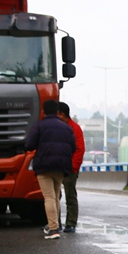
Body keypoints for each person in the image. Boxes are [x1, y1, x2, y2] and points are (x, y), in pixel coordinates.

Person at [25, 100, 75, 240]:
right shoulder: (66, 127)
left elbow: (29, 144)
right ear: (57, 111)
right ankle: (56, 225)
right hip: (61, 166)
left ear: (44, 110)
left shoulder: (40, 125)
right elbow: (73, 147)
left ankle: (53, 229)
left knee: (49, 197)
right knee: (56, 196)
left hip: (44, 166)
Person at [57, 102, 85, 233]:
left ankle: (71, 223)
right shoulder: (56, 127)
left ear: (62, 114)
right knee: (55, 196)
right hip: (56, 166)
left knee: (70, 196)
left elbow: (80, 149)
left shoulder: (75, 128)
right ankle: (55, 223)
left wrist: (73, 167)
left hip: (69, 168)